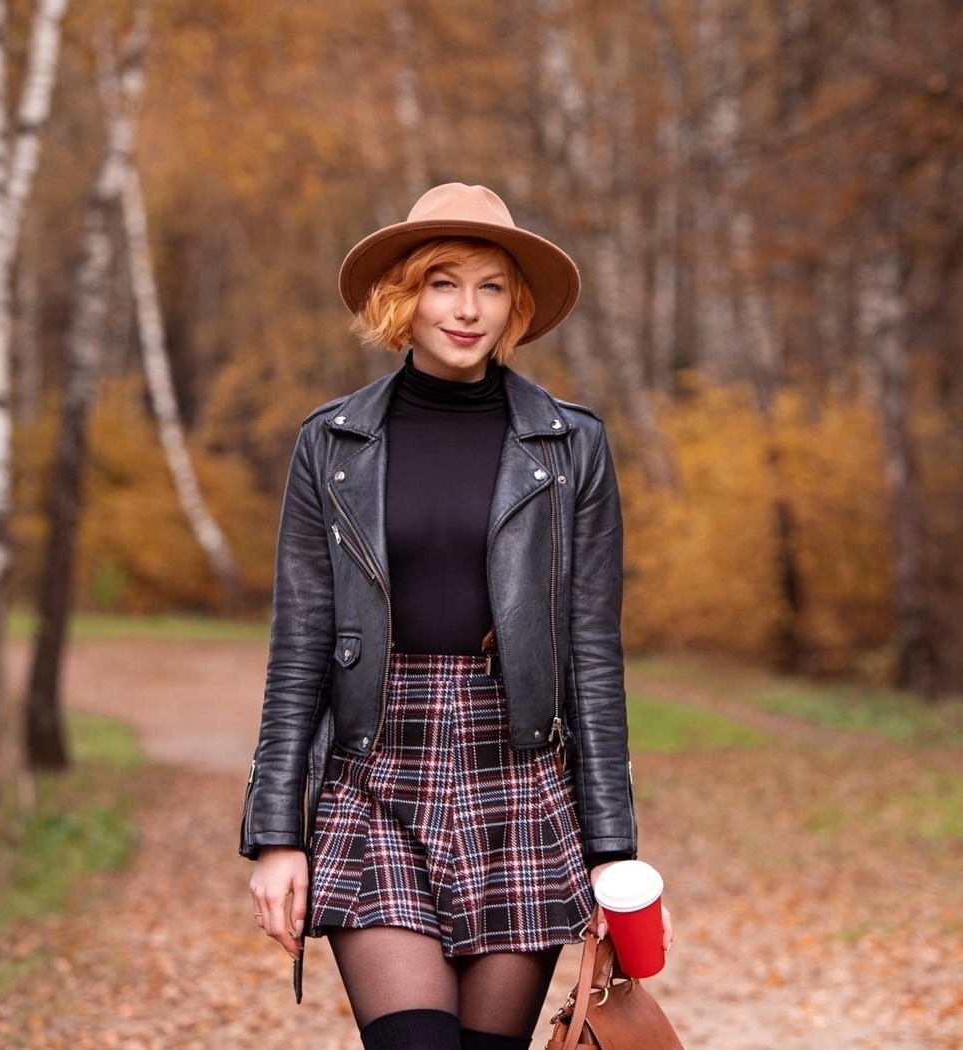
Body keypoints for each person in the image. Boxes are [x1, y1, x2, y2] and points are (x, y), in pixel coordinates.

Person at [239, 183, 671, 1050]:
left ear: (516, 305)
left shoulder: (568, 442)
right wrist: (277, 834)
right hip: (374, 776)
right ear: (404, 295)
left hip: (520, 776)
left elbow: (591, 650)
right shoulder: (332, 443)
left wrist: (612, 843)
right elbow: (300, 650)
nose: (467, 309)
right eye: (443, 281)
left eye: (491, 286)